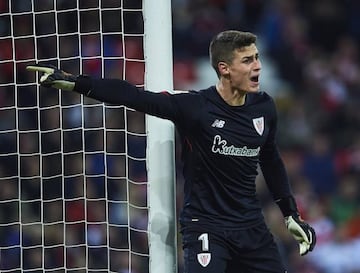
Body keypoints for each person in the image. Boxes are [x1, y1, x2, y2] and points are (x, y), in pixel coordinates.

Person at [27, 30, 316, 273]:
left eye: (257, 58)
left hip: (251, 226)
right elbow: (135, 96)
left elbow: (270, 160)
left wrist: (291, 214)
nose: (258, 66)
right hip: (207, 227)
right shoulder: (196, 108)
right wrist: (76, 82)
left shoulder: (264, 107)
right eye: (247, 60)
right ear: (225, 68)